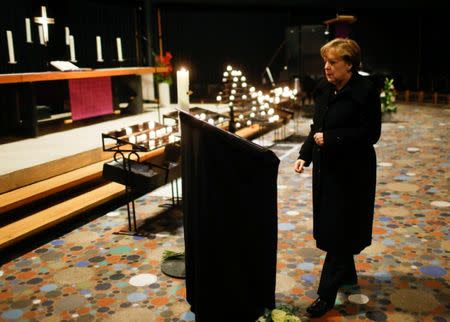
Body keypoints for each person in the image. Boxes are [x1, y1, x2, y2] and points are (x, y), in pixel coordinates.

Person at [293, 38, 381, 318]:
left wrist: (332, 138)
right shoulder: (324, 89)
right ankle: (346, 274)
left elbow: (371, 134)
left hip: (353, 173)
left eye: (333, 62)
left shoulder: (365, 92)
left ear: (349, 65)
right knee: (335, 227)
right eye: (325, 62)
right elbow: (316, 127)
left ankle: (325, 295)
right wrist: (305, 154)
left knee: (338, 230)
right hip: (326, 170)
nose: (326, 67)